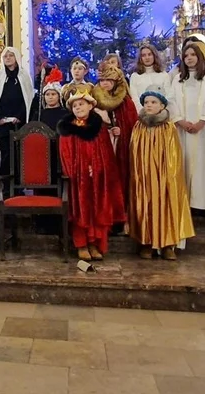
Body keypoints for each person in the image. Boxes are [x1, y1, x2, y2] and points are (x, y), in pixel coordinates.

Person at [58, 84, 124, 261]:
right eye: (75, 106)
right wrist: (76, 171)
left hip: (97, 176)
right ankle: (81, 244)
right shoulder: (68, 129)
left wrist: (97, 168)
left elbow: (106, 152)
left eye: (81, 104)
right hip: (78, 178)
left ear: (90, 106)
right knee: (81, 210)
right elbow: (65, 154)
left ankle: (95, 244)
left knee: (97, 209)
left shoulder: (99, 128)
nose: (78, 108)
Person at [128, 85, 194, 260]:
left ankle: (167, 244)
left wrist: (168, 173)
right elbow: (134, 151)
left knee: (166, 203)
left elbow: (174, 154)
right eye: (146, 102)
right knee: (145, 203)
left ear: (162, 105)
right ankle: (146, 242)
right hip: (144, 175)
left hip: (164, 174)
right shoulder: (139, 126)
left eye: (153, 102)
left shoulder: (168, 127)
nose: (149, 105)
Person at [171, 41, 205, 210]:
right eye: (186, 55)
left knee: (203, 162)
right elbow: (171, 100)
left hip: (203, 128)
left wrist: (202, 122)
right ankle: (186, 201)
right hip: (183, 128)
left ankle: (204, 203)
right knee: (184, 161)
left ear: (199, 57)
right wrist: (180, 121)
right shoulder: (178, 79)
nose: (189, 58)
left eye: (193, 55)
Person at [0, 47, 34, 177]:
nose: (8, 58)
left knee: (19, 153)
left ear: (16, 58)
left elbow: (28, 100)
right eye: (5, 56)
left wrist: (20, 116)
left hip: (19, 123)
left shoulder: (24, 76)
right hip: (2, 123)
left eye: (11, 55)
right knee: (5, 153)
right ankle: (6, 184)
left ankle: (19, 184)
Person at [93, 63, 138, 200]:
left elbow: (132, 123)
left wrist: (122, 130)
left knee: (120, 175)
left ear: (115, 81)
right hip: (101, 145)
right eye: (102, 80)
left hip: (120, 147)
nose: (105, 83)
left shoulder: (125, 101)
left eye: (109, 80)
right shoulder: (94, 99)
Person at [129, 44, 170, 115]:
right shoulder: (135, 76)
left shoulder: (164, 75)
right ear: (140, 58)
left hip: (161, 114)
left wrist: (160, 110)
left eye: (149, 54)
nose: (147, 57)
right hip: (142, 115)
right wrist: (143, 112)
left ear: (154, 56)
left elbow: (168, 95)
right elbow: (134, 98)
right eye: (143, 55)